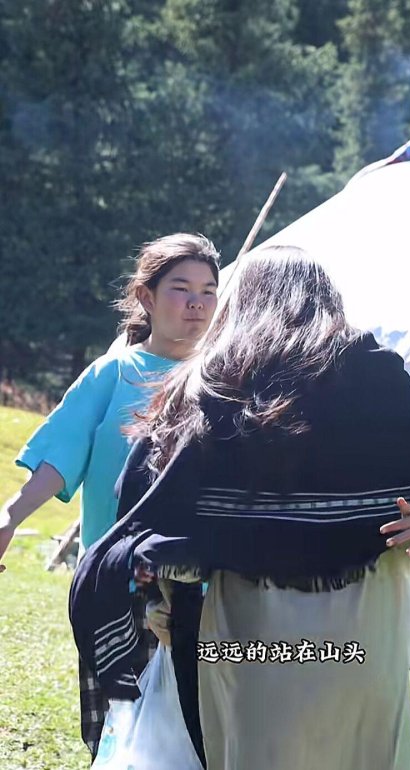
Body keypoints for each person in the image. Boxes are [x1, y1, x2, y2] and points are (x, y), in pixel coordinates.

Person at [70, 247, 410, 770]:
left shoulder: (210, 378)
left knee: (254, 751)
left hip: (238, 635)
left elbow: (153, 509)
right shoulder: (372, 374)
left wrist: (161, 596)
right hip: (363, 638)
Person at [0, 232, 220, 759]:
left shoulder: (224, 381)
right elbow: (60, 458)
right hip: (118, 585)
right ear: (146, 297)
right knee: (122, 735)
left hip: (204, 591)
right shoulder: (113, 372)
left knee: (200, 736)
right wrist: (9, 519)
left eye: (209, 291)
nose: (196, 303)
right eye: (181, 288)